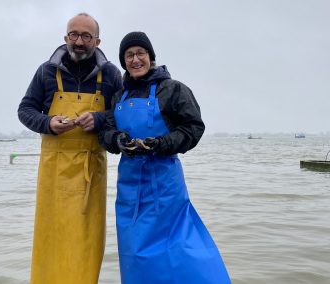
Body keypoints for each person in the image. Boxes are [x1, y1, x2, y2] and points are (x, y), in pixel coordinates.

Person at [98, 31, 231, 283]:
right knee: (134, 254)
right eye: (129, 55)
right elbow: (104, 131)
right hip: (129, 189)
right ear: (123, 61)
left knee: (179, 248)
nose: (135, 59)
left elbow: (194, 128)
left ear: (151, 57)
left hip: (166, 185)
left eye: (140, 53)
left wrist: (160, 143)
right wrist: (117, 140)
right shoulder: (118, 96)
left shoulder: (173, 89)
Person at [17, 13, 122, 284]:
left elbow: (123, 114)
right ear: (65, 38)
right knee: (51, 238)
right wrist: (48, 123)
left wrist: (99, 119)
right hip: (53, 171)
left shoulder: (111, 74)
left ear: (97, 41)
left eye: (86, 36)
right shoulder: (46, 71)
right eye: (74, 35)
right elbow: (25, 109)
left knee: (86, 241)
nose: (79, 41)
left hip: (91, 170)